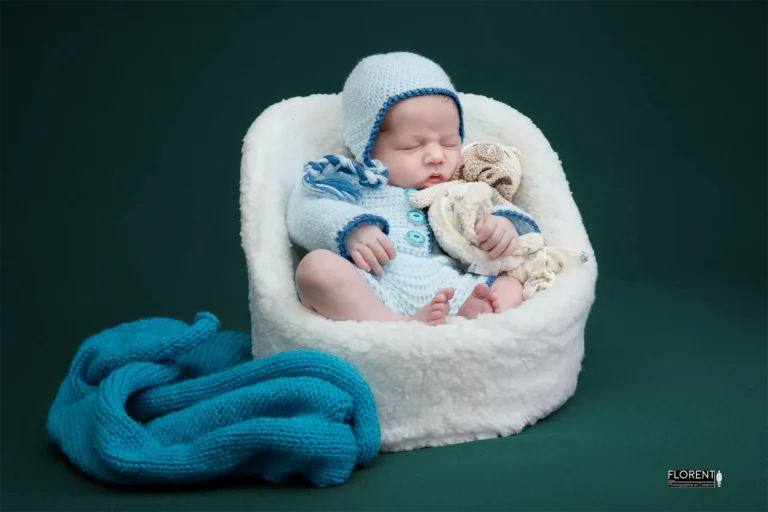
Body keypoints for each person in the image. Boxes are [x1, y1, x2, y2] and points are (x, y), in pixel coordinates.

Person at [286, 52, 537, 325]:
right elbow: (304, 209)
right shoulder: (352, 180)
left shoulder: (460, 187)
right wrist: (353, 230)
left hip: (454, 289)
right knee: (315, 269)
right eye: (412, 146)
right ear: (364, 149)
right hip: (372, 287)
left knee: (512, 282)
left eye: (450, 143)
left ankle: (472, 318)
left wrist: (503, 227)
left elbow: (506, 215)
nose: (436, 156)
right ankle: (395, 326)